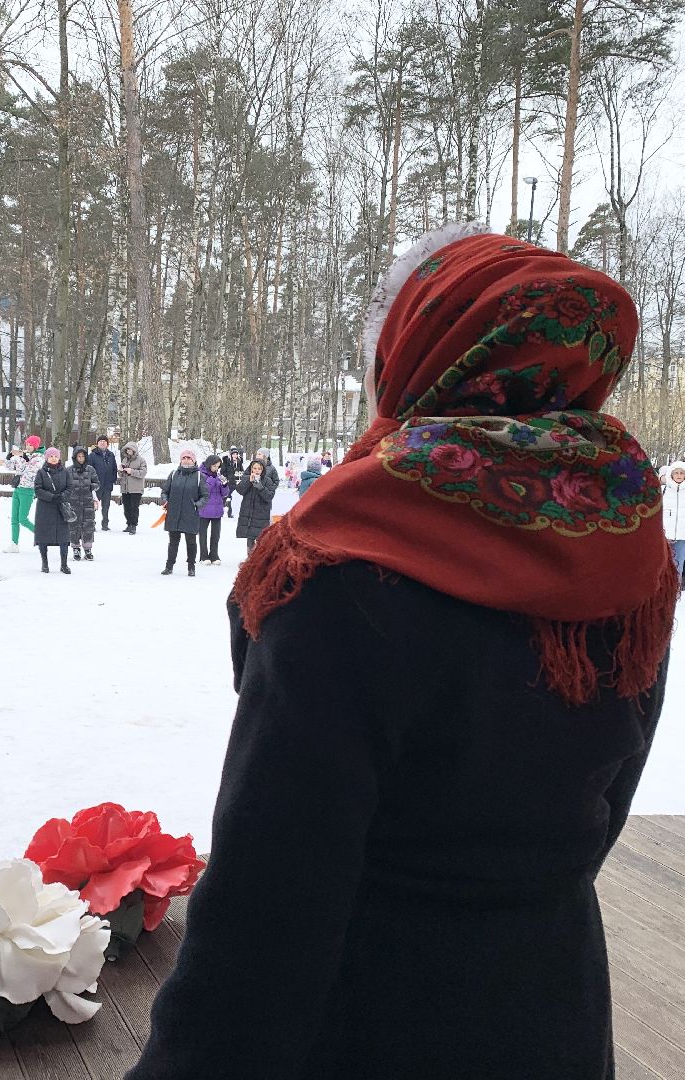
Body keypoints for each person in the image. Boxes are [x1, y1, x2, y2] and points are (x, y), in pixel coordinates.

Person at [127, 229, 677, 1080]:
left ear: (426, 349)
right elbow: (605, 803)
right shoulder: (620, 537)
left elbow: (271, 903)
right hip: (553, 1006)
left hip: (369, 1016)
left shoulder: (349, 553)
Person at [159, 447, 209, 577]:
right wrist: (165, 501)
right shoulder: (174, 474)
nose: (186, 460)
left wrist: (196, 505)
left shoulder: (199, 476)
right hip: (174, 513)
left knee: (191, 542)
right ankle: (169, 566)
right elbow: (165, 491)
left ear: (194, 461)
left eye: (189, 458)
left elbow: (205, 496)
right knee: (173, 542)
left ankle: (191, 567)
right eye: (184, 458)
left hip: (190, 514)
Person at [33, 447, 72, 574]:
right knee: (43, 537)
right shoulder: (41, 472)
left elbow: (69, 487)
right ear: (47, 458)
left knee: (64, 538)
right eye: (51, 456)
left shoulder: (65, 472)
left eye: (56, 456)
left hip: (61, 508)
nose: (54, 458)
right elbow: (38, 489)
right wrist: (51, 497)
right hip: (45, 508)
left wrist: (62, 496)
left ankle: (64, 564)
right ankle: (44, 563)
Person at [9, 435, 44, 550]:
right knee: (14, 519)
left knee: (22, 519)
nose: (28, 447)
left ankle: (41, 535)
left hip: (28, 490)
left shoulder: (39, 458)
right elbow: (10, 467)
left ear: (36, 446)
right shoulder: (23, 456)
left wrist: (24, 458)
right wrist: (9, 456)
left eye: (31, 445)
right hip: (17, 489)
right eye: (27, 444)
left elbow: (31, 473)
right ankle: (14, 544)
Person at [67, 447, 100, 561]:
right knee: (74, 525)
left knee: (88, 525)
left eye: (83, 456)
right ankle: (75, 548)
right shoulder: (69, 470)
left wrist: (92, 486)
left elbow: (97, 483)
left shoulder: (90, 469)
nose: (81, 459)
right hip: (74, 501)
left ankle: (88, 549)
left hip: (87, 501)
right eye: (79, 456)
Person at [235, 459, 274, 555]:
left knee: (261, 539)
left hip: (261, 514)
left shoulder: (267, 481)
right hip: (248, 514)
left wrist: (260, 487)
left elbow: (269, 496)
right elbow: (240, 490)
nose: (256, 471)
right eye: (254, 468)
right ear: (251, 469)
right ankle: (249, 560)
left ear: (262, 470)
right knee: (250, 538)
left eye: (259, 469)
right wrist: (249, 481)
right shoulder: (247, 478)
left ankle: (259, 559)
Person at [197, 454, 230, 565]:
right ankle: (203, 556)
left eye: (218, 467)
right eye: (215, 466)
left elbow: (224, 494)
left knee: (216, 535)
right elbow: (204, 490)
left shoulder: (218, 476)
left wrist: (224, 485)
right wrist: (214, 480)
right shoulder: (200, 474)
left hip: (217, 510)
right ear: (209, 464)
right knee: (203, 534)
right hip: (204, 510)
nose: (216, 469)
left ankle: (214, 555)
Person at [86, 436, 118, 531]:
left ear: (107, 444)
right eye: (101, 441)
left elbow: (114, 468)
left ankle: (105, 524)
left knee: (106, 506)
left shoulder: (111, 455)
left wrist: (113, 479)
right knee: (93, 505)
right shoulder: (92, 455)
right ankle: (92, 524)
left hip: (107, 485)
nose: (103, 443)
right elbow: (89, 469)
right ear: (97, 443)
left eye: (104, 441)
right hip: (96, 485)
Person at [117, 442, 148, 534]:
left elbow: (143, 472)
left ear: (134, 450)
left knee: (134, 507)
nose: (129, 451)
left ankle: (134, 525)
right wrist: (120, 470)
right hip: (125, 488)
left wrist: (132, 471)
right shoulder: (125, 460)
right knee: (126, 507)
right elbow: (120, 475)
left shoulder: (141, 460)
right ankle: (128, 524)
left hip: (136, 488)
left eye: (130, 449)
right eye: (127, 449)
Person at [662, 461, 685, 583]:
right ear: (671, 474)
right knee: (662, 565)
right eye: (676, 472)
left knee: (678, 565)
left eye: (682, 473)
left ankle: (675, 592)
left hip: (682, 537)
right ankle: (662, 591)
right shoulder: (663, 490)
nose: (679, 475)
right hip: (664, 536)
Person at [221, 448, 245, 517]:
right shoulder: (226, 462)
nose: (235, 455)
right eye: (233, 454)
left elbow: (242, 471)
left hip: (235, 483)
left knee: (229, 497)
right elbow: (222, 471)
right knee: (226, 497)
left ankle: (229, 513)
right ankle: (225, 512)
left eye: (236, 454)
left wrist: (239, 476)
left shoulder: (239, 462)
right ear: (230, 455)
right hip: (228, 483)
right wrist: (226, 478)